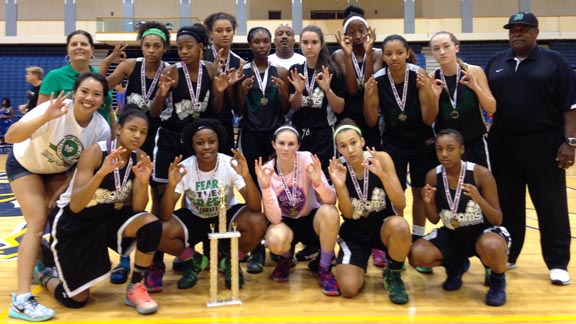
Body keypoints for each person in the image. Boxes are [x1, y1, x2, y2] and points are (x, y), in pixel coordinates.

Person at [33, 106, 162, 315]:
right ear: (119, 129)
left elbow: (138, 208)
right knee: (76, 300)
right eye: (132, 129)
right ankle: (44, 274)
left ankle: (136, 287)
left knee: (150, 223)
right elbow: (76, 205)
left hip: (106, 218)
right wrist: (101, 173)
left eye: (143, 132)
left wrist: (143, 182)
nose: (137, 136)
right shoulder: (95, 152)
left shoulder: (140, 158)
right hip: (75, 223)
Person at [5, 72, 111, 322]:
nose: (89, 98)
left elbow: (80, 166)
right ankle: (21, 299)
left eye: (96, 94)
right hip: (25, 165)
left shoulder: (101, 129)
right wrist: (44, 116)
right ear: (75, 93)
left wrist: (62, 189)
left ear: (103, 100)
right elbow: (11, 137)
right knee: (37, 222)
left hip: (58, 171)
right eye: (84, 91)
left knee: (62, 215)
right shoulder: (55, 109)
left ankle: (46, 262)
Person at [485, 12, 575, 285]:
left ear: (536, 32)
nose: (517, 34)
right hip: (504, 144)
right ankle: (510, 253)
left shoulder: (554, 62)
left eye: (523, 29)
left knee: (551, 206)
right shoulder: (496, 62)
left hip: (544, 144)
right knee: (509, 205)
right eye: (513, 29)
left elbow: (571, 108)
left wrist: (570, 143)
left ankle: (557, 263)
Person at [147, 24, 229, 291]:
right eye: (179, 47)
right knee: (161, 197)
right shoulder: (171, 72)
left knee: (200, 194)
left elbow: (216, 110)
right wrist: (160, 93)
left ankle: (201, 254)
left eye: (188, 46)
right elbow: (156, 113)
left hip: (196, 139)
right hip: (171, 139)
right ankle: (157, 261)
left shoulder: (212, 70)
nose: (183, 51)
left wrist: (218, 90)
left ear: (201, 47)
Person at [99, 21, 171, 285]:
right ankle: (124, 259)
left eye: (157, 46)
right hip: (128, 136)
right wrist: (108, 62)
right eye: (147, 45)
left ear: (165, 48)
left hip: (156, 137)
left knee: (155, 193)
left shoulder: (170, 72)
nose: (151, 50)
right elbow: (103, 85)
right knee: (125, 194)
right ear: (142, 46)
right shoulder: (130, 66)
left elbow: (161, 110)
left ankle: (156, 256)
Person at [156, 118, 267, 290]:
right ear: (192, 146)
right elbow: (165, 215)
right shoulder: (185, 167)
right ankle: (195, 260)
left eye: (211, 141)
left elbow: (255, 207)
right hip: (196, 217)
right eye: (200, 143)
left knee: (258, 221)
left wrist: (247, 176)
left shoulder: (230, 164)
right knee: (158, 230)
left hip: (226, 216)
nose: (206, 147)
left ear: (218, 142)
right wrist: (171, 186)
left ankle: (230, 261)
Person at [409, 129, 510, 306]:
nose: (444, 154)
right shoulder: (433, 176)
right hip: (452, 234)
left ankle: (497, 281)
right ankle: (455, 266)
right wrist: (427, 202)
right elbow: (433, 220)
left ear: (461, 149)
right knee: (416, 254)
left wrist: (479, 199)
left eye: (450, 148)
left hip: (482, 233)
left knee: (492, 245)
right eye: (439, 149)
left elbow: (497, 219)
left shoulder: (481, 174)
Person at [364, 34, 437, 273]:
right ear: (382, 56)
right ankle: (398, 242)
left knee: (419, 191)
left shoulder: (419, 75)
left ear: (407, 53)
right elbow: (371, 121)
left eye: (398, 52)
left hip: (422, 142)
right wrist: (368, 98)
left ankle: (416, 239)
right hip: (393, 143)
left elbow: (430, 118)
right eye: (388, 54)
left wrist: (429, 94)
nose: (394, 58)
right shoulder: (377, 80)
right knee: (395, 194)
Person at [328, 119, 410, 304]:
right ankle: (358, 263)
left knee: (400, 225)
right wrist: (340, 186)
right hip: (355, 233)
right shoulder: (339, 168)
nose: (350, 149)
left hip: (382, 227)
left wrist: (382, 174)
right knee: (348, 289)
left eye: (353, 142)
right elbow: (348, 215)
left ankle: (394, 274)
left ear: (362, 141)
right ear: (338, 149)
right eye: (343, 146)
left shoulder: (381, 158)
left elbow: (401, 203)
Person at [254, 125, 341, 296]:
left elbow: (331, 200)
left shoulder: (307, 159)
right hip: (285, 223)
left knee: (330, 212)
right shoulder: (266, 171)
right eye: (281, 143)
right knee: (275, 238)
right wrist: (265, 188)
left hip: (311, 220)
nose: (286, 148)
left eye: (291, 144)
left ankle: (324, 268)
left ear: (298, 146)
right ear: (273, 144)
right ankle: (285, 259)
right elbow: (274, 218)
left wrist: (318, 182)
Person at [332, 4, 386, 268]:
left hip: (371, 119)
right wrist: (346, 52)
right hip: (349, 120)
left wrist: (366, 52)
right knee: (352, 177)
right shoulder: (339, 56)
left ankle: (380, 240)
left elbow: (369, 85)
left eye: (360, 30)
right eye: (351, 31)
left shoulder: (377, 53)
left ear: (368, 31)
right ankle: (355, 233)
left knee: (375, 175)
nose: (356, 35)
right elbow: (353, 88)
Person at [237, 27, 290, 274]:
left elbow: (287, 109)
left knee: (277, 190)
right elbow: (237, 110)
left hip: (274, 138)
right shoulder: (242, 72)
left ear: (270, 44)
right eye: (256, 41)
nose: (261, 45)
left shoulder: (280, 72)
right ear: (249, 45)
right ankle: (257, 246)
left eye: (265, 41)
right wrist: (241, 91)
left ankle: (280, 247)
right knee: (254, 192)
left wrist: (283, 93)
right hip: (249, 137)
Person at [429, 31, 496, 168]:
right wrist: (434, 98)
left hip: (474, 142)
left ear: (456, 47)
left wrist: (476, 87)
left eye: (446, 46)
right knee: (449, 189)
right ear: (432, 52)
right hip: (445, 148)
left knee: (480, 187)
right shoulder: (431, 79)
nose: (442, 52)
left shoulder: (474, 72)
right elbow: (429, 119)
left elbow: (491, 108)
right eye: (436, 48)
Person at [288, 25, 345, 178]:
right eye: (305, 42)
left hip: (324, 132)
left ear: (321, 45)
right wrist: (299, 92)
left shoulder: (332, 71)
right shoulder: (295, 70)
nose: (309, 46)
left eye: (314, 42)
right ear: (300, 44)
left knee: (324, 179)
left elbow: (339, 108)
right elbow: (293, 106)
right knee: (300, 178)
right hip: (299, 132)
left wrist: (327, 90)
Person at [38, 30, 114, 127]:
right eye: (74, 44)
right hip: (66, 138)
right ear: (68, 50)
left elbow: (109, 110)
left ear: (92, 50)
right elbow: (40, 112)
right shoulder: (54, 76)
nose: (79, 47)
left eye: (83, 44)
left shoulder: (100, 76)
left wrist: (113, 137)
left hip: (101, 137)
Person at [203, 12, 246, 155]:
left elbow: (237, 106)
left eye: (228, 30)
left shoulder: (240, 63)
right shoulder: (202, 58)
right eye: (219, 31)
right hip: (202, 118)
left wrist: (231, 88)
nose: (225, 34)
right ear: (210, 33)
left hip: (225, 121)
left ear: (234, 32)